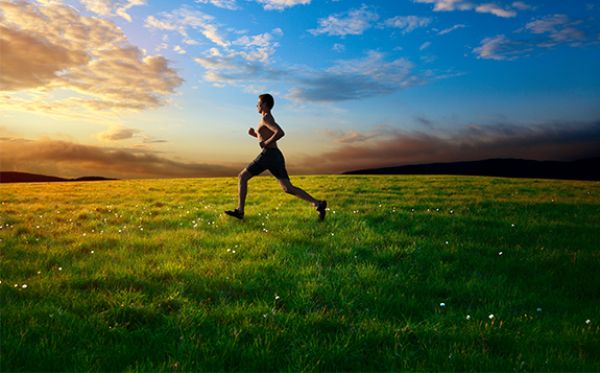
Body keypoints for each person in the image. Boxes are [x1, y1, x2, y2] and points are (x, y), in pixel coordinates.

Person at [225, 93, 327, 221]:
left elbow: (280, 133)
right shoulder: (267, 118)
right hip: (275, 155)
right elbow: (266, 136)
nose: (257, 105)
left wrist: (265, 143)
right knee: (288, 188)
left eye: (259, 103)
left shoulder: (266, 118)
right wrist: (254, 135)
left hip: (268, 155)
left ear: (265, 105)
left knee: (242, 177)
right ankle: (318, 203)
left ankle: (240, 211)